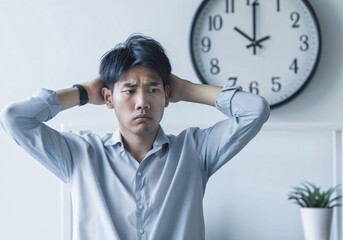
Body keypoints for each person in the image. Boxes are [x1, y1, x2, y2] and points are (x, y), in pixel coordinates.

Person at [0, 34, 270, 240]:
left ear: (166, 95)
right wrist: (83, 92)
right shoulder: (80, 155)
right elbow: (15, 118)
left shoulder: (195, 150)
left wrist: (185, 89)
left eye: (153, 90)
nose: (142, 102)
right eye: (129, 90)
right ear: (108, 97)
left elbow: (254, 111)